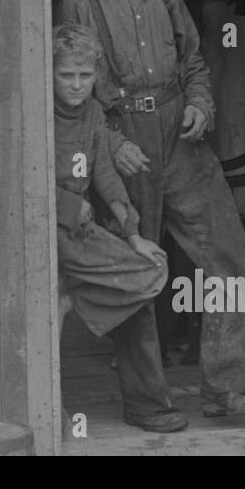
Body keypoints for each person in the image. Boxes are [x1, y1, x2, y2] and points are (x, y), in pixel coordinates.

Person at [57, 0, 245, 431]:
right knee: (138, 268)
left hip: (180, 134)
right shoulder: (80, 1)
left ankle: (233, 385)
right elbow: (79, 90)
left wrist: (200, 102)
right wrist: (111, 141)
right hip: (125, 140)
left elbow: (195, 59)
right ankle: (150, 404)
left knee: (229, 252)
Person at [51, 22, 177, 430]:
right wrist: (70, 206)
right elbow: (27, 179)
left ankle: (72, 304)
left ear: (96, 77)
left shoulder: (91, 114)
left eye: (85, 76)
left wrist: (132, 232)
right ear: (49, 73)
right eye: (66, 75)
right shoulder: (38, 113)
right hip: (46, 228)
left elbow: (104, 174)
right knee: (43, 316)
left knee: (150, 269)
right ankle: (51, 410)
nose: (75, 85)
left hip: (80, 230)